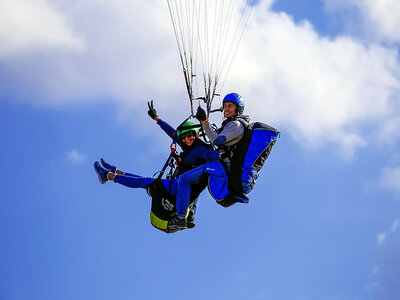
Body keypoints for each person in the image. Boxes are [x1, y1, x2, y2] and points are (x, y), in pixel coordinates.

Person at [94, 102, 221, 232]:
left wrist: (222, 152)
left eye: (189, 136)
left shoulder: (199, 149)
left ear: (195, 134)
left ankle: (107, 176)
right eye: (184, 138)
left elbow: (211, 154)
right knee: (145, 181)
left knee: (145, 182)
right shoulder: (188, 146)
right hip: (177, 186)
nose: (187, 140)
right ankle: (114, 172)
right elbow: (172, 133)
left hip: (180, 191)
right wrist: (157, 119)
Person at [170, 92, 250, 229]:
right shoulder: (231, 124)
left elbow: (218, 140)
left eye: (230, 106)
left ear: (238, 108)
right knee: (193, 181)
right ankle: (189, 215)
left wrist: (205, 122)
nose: (226, 109)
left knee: (184, 179)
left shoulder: (236, 125)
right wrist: (157, 119)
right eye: (225, 106)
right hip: (219, 166)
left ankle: (181, 216)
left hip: (221, 167)